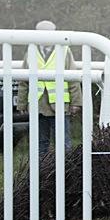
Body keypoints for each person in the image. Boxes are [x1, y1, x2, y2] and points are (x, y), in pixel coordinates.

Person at [16, 20, 82, 154]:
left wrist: (76, 102)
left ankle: (65, 166)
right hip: (38, 105)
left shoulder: (64, 51)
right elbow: (24, 80)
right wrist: (22, 103)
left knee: (63, 142)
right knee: (40, 142)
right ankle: (42, 166)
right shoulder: (31, 51)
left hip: (60, 105)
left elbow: (73, 78)